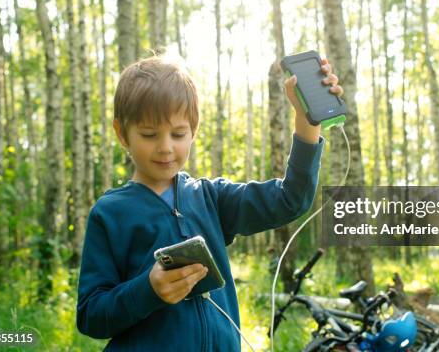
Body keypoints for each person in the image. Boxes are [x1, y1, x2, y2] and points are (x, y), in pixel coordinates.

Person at [76, 54, 343, 351]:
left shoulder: (211, 198)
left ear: (194, 131)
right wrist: (148, 290)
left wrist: (307, 123)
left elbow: (290, 200)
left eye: (178, 134)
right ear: (122, 133)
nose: (165, 147)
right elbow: (90, 316)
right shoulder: (110, 213)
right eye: (149, 134)